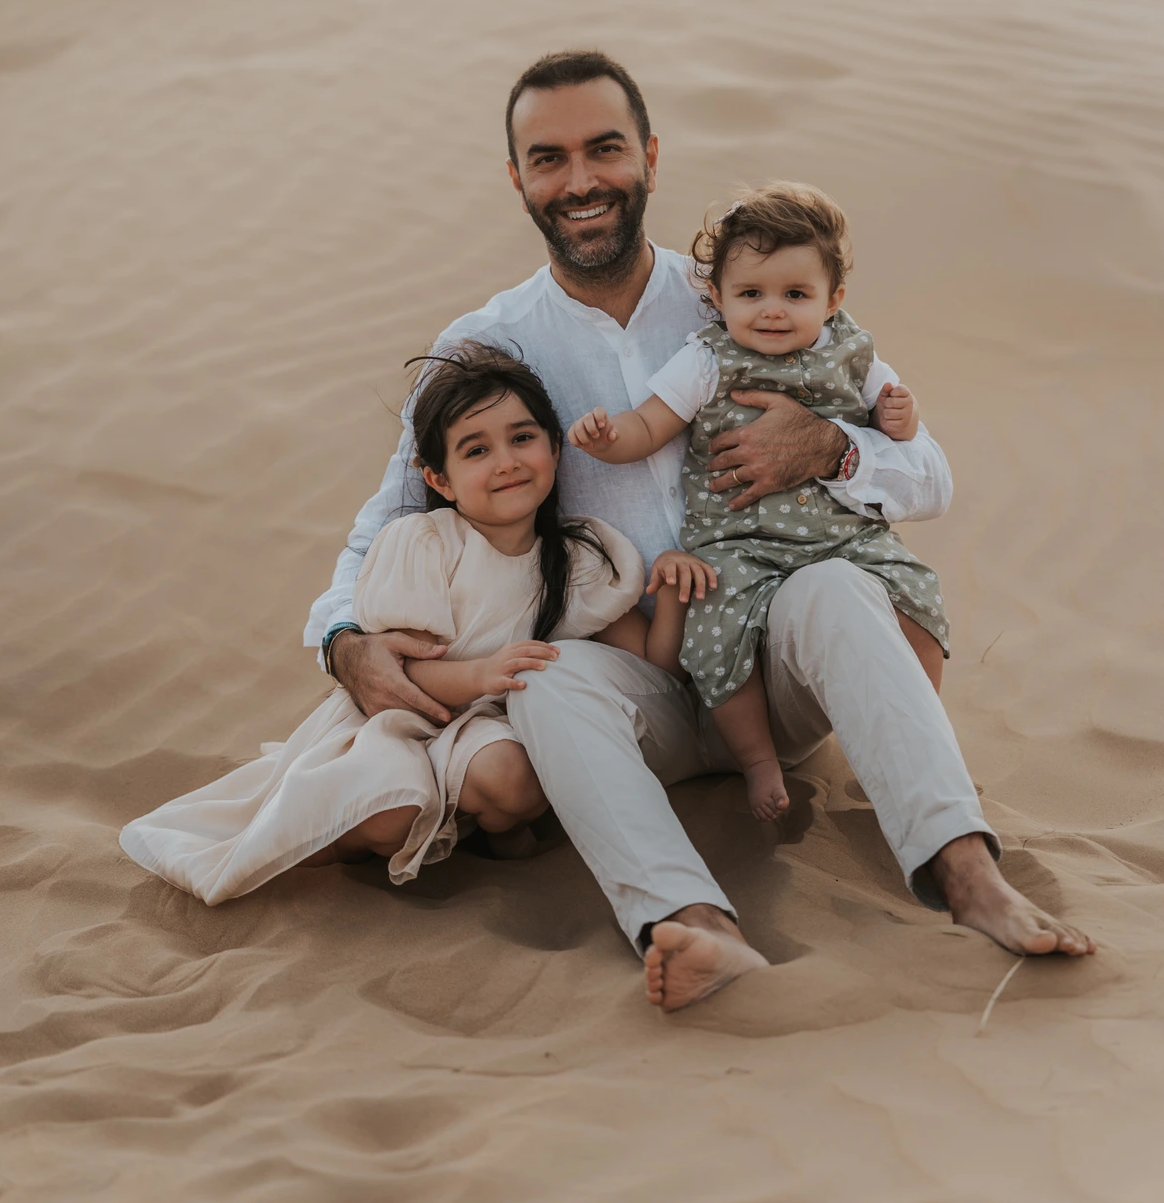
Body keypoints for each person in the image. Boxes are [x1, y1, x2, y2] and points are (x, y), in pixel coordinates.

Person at [309, 50, 1094, 1009]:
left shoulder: (756, 286)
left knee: (837, 586)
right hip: (639, 681)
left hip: (783, 677)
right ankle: (691, 924)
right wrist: (342, 638)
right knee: (549, 687)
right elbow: (385, 522)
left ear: (647, 154)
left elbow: (928, 475)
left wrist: (833, 450)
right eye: (548, 158)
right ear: (517, 180)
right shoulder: (496, 340)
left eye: (604, 149)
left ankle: (963, 869)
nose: (581, 180)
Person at [119, 343, 708, 901]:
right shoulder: (425, 544)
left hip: (486, 730)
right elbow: (406, 677)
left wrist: (674, 592)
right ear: (439, 479)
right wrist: (480, 675)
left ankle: (493, 829)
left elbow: (650, 670)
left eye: (522, 438)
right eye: (475, 451)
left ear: (555, 447)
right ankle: (324, 840)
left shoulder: (581, 557)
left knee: (513, 779)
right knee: (391, 810)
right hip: (403, 717)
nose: (505, 462)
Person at [567, 181, 949, 826]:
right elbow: (651, 425)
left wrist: (899, 418)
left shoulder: (855, 352)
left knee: (916, 603)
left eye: (795, 294)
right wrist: (609, 440)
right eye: (751, 294)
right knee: (719, 635)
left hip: (842, 533)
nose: (773, 310)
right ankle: (759, 762)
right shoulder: (707, 361)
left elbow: (907, 442)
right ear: (715, 297)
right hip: (736, 541)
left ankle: (921, 744)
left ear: (834, 301)